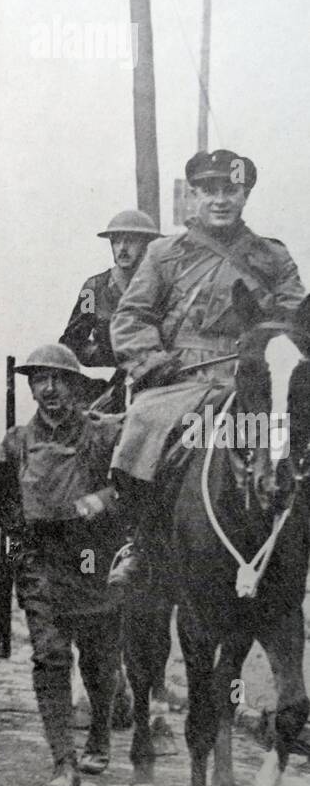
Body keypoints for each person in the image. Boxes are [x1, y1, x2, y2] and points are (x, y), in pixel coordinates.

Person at [108, 149, 306, 586]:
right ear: (194, 195)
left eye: (230, 190)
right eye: (210, 190)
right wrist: (153, 362)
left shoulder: (272, 257)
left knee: (297, 435)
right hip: (182, 382)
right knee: (139, 426)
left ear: (244, 195)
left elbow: (295, 319)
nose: (220, 200)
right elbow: (131, 317)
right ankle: (140, 543)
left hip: (253, 378)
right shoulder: (164, 254)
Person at [0, 344, 124, 786]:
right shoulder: (16, 442)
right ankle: (63, 762)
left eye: (58, 379)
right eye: (39, 379)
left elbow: (131, 488)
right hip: (41, 563)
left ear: (76, 385)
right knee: (50, 655)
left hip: (92, 561)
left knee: (100, 660)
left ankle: (99, 733)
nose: (48, 389)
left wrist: (100, 501)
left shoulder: (101, 436)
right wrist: (16, 524)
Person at [59, 209, 161, 408]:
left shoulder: (161, 288)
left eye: (131, 241)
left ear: (147, 245)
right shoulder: (94, 289)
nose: (122, 248)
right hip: (110, 387)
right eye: (116, 241)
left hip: (155, 381)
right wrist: (105, 354)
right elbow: (72, 342)